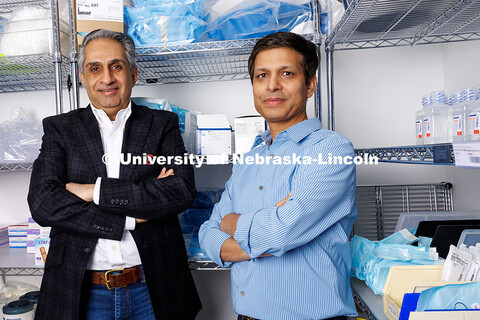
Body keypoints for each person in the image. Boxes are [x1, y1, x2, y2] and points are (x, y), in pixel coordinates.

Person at [27, 29, 201, 320]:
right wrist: (130, 217)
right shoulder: (60, 129)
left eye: (116, 66)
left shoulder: (161, 124)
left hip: (153, 286)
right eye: (95, 68)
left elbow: (180, 190)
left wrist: (92, 191)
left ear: (133, 74)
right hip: (82, 291)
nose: (106, 78)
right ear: (83, 77)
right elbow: (44, 203)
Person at [199, 31, 358, 320]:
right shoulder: (250, 159)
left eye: (286, 73)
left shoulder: (331, 148)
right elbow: (209, 234)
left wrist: (235, 224)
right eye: (262, 76)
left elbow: (280, 231)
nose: (272, 86)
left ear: (310, 85)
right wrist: (269, 236)